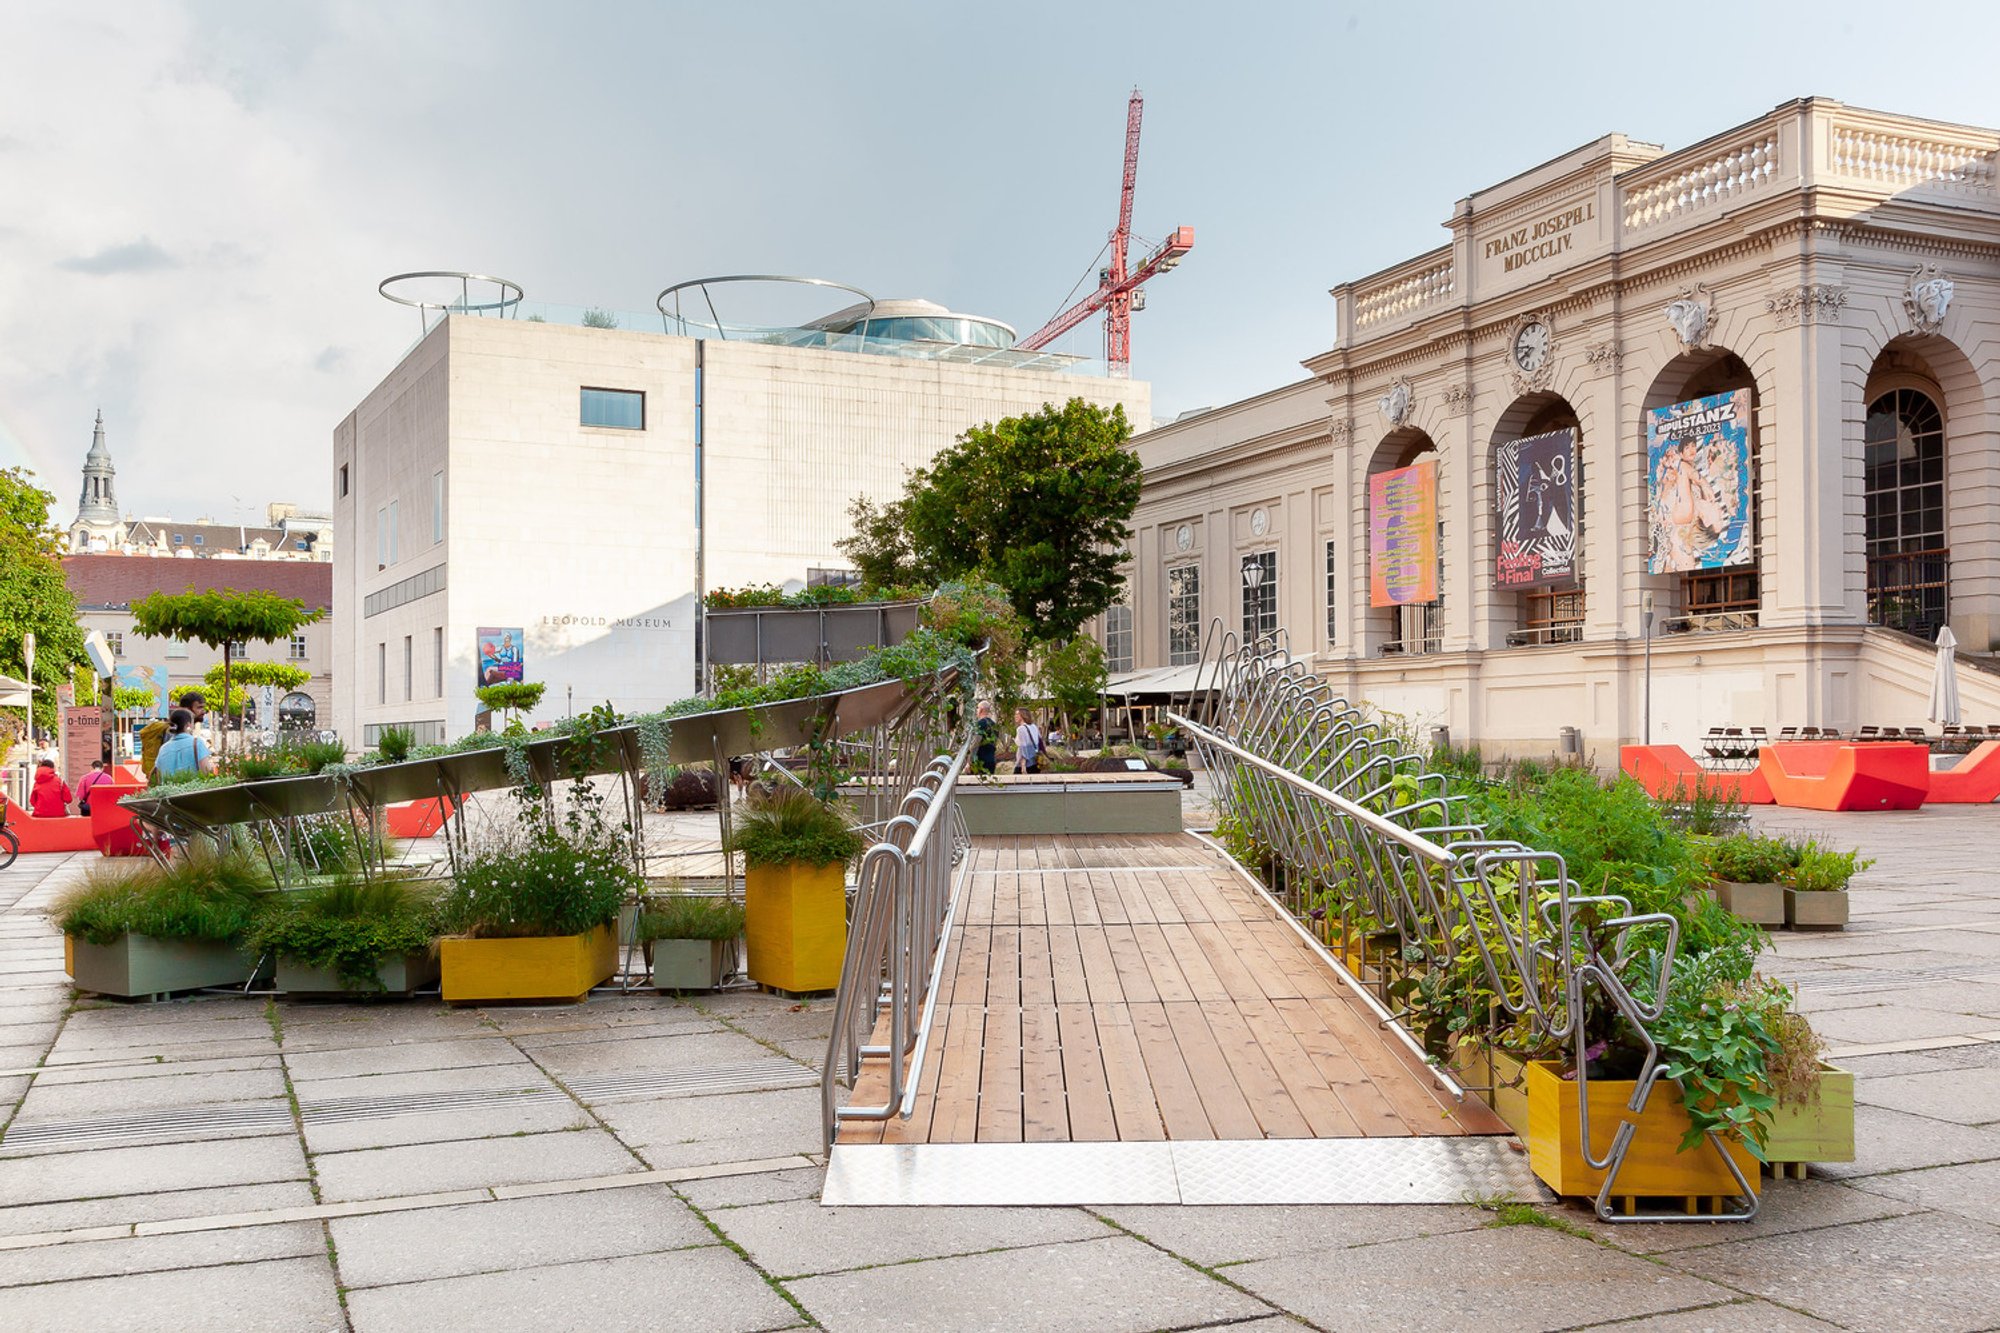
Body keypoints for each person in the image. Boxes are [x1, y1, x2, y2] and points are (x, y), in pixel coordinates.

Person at [140, 690, 207, 779]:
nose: (203, 711)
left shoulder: (178, 731)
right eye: (199, 708)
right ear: (187, 709)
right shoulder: (173, 731)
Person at [153, 708, 215, 780]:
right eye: (192, 723)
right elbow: (206, 772)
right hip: (193, 790)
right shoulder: (197, 743)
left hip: (168, 790)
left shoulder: (163, 749)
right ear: (188, 725)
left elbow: (158, 776)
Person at [1013, 709, 1043, 775]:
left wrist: (1023, 766)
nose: (1015, 716)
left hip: (1025, 764)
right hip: (1035, 761)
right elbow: (1040, 742)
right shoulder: (1034, 726)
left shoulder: (1021, 729)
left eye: (1017, 714)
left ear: (1023, 715)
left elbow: (1024, 747)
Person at [973, 702, 998, 774]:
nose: (976, 710)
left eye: (977, 708)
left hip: (980, 761)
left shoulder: (980, 724)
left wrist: (969, 760)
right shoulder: (993, 724)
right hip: (991, 759)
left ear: (981, 710)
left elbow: (976, 743)